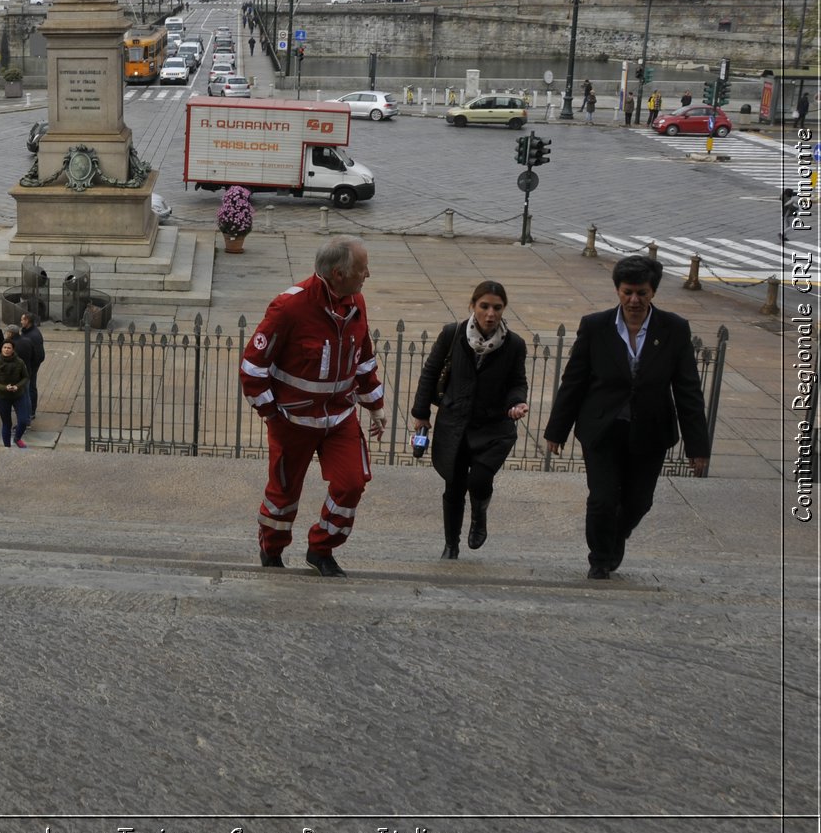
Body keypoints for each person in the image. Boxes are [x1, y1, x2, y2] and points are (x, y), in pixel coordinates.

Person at [543, 255, 711, 580]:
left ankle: (616, 535)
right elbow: (574, 382)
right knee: (603, 498)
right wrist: (556, 431)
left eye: (642, 293)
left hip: (650, 432)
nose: (634, 300)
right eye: (628, 292)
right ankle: (600, 558)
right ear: (618, 291)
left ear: (653, 293)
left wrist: (697, 447)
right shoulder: (595, 326)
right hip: (602, 429)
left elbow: (688, 391)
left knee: (639, 501)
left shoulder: (674, 329)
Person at [239, 236, 386, 578]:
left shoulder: (356, 303)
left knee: (351, 483)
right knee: (283, 494)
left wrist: (375, 405)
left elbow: (363, 359)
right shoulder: (289, 307)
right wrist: (271, 414)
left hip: (340, 418)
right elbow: (252, 368)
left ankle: (321, 549)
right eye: (362, 269)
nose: (368, 274)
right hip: (292, 422)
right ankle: (271, 548)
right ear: (338, 273)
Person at [409, 282, 530, 559]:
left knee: (480, 480)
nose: (490, 314)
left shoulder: (514, 345)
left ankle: (479, 514)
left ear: (503, 309)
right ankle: (451, 545)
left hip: (493, 426)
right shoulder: (453, 334)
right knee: (453, 487)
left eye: (497, 308)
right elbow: (431, 372)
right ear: (473, 306)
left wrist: (517, 402)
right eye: (484, 306)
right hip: (455, 423)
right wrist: (421, 414)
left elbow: (517, 382)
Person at [0, 338, 32, 448]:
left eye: (9, 348)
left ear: (13, 350)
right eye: (4, 347)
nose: (6, 350)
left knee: (23, 420)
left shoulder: (19, 362)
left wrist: (17, 386)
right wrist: (4, 387)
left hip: (18, 395)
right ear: (1, 349)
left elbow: (26, 377)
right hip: (3, 397)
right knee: (7, 424)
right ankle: (7, 447)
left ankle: (17, 438)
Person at [20, 311, 46, 416]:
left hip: (30, 367)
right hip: (28, 365)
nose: (21, 322)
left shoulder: (33, 335)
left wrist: (31, 367)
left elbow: (39, 355)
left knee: (30, 387)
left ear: (27, 321)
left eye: (22, 319)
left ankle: (31, 411)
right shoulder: (27, 332)